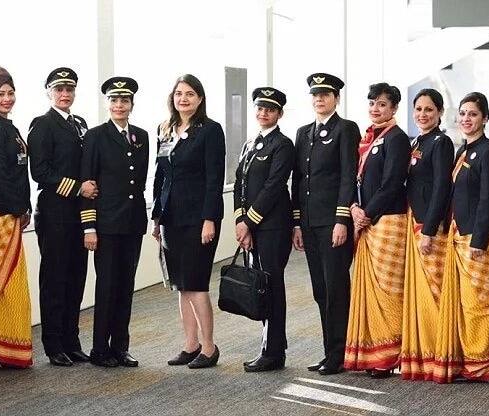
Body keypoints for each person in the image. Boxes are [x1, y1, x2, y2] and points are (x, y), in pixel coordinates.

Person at [152, 74, 225, 369]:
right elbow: (160, 176)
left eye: (190, 94)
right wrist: (156, 216)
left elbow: (214, 179)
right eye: (179, 93)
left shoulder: (210, 130)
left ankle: (209, 348)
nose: (183, 99)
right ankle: (190, 345)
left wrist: (209, 219)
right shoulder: (165, 129)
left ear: (200, 99)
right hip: (171, 217)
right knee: (181, 286)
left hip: (198, 218)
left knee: (196, 284)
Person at [28, 67, 97, 367]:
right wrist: (78, 188)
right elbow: (39, 172)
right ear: (49, 92)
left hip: (79, 213)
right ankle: (54, 344)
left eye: (69, 89)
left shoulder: (80, 124)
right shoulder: (42, 124)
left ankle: (72, 340)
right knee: (55, 279)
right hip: (55, 211)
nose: (65, 94)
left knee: (76, 277)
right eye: (59, 89)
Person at [291, 73, 359, 375]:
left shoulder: (345, 129)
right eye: (315, 94)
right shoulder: (303, 132)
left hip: (333, 223)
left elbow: (348, 176)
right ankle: (328, 351)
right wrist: (297, 223)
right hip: (309, 222)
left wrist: (342, 219)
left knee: (336, 290)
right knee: (320, 291)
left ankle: (340, 354)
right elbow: (299, 181)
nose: (320, 98)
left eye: (326, 94)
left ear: (336, 98)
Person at [80, 77, 148, 368]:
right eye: (114, 100)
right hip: (106, 225)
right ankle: (99, 350)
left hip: (132, 224)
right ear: (107, 103)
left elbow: (140, 181)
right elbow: (87, 183)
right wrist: (89, 226)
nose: (119, 105)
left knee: (126, 286)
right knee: (107, 287)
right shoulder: (95, 136)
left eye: (125, 100)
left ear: (132, 104)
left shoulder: (142, 135)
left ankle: (121, 347)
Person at [345, 82, 410, 378]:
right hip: (368, 221)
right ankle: (373, 353)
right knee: (369, 290)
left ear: (394, 108)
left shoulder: (396, 138)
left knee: (388, 289)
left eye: (382, 104)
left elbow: (392, 184)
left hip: (389, 221)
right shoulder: (367, 138)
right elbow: (358, 180)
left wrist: (366, 214)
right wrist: (354, 209)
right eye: (372, 103)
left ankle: (390, 355)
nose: (375, 108)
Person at [433, 92, 489, 383]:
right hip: (459, 237)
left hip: (478, 241)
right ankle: (472, 361)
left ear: (485, 118)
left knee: (479, 305)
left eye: (473, 114)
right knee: (465, 304)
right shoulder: (464, 150)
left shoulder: (488, 152)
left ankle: (483, 365)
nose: (466, 119)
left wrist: (479, 241)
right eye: (463, 113)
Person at [234, 87, 294, 372]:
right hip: (253, 227)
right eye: (260, 108)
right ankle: (269, 346)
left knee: (272, 286)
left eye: (270, 109)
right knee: (261, 286)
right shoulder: (250, 144)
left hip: (272, 228)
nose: (263, 113)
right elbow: (239, 185)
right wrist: (238, 220)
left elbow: (273, 187)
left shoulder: (283, 144)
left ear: (279, 113)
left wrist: (249, 221)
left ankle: (274, 351)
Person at [0, 67, 33, 368]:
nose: (6, 98)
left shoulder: (10, 127)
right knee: (0, 278)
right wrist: (17, 208)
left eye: (10, 93)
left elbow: (20, 173)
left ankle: (11, 343)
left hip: (14, 211)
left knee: (12, 279)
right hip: (1, 213)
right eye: (0, 94)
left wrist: (24, 207)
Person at [400, 89, 453, 380]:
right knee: (420, 293)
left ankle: (439, 355)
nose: (423, 114)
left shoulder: (441, 142)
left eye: (429, 110)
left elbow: (441, 188)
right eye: (418, 109)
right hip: (414, 220)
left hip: (429, 227)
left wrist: (430, 230)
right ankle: (422, 355)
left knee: (435, 293)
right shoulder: (418, 141)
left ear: (440, 112)